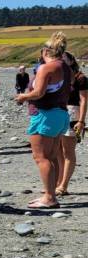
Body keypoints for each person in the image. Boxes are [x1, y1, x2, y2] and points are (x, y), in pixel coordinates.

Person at [16, 32, 72, 208]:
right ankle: (51, 192)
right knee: (52, 156)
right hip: (61, 114)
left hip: (45, 115)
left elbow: (39, 92)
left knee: (40, 157)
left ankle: (49, 197)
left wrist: (23, 97)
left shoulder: (46, 68)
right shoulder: (65, 67)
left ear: (46, 51)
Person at [57, 52, 88, 197]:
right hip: (57, 112)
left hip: (72, 112)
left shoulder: (80, 78)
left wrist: (81, 120)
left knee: (68, 151)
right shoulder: (58, 76)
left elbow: (83, 100)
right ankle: (58, 182)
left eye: (64, 59)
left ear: (71, 60)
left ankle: (63, 185)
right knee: (57, 150)